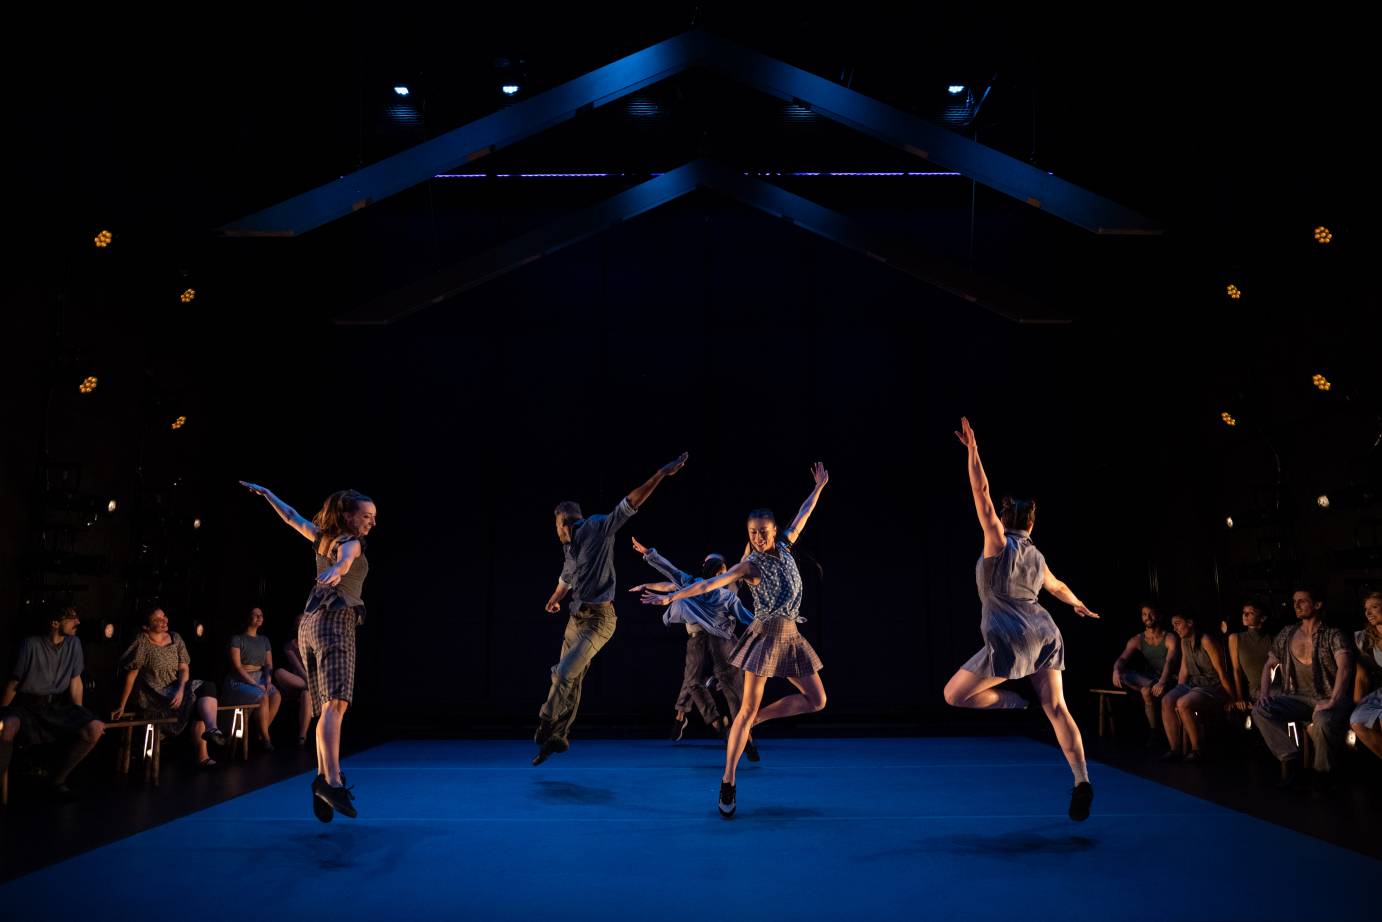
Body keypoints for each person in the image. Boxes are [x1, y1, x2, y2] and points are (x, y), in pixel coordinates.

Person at [643, 463, 829, 819]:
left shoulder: (787, 546)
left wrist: (818, 487)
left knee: (817, 700)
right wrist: (671, 597)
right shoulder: (749, 566)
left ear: (775, 530)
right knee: (742, 710)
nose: (758, 537)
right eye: (752, 533)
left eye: (763, 531)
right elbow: (706, 585)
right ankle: (728, 782)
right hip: (764, 637)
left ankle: (757, 721)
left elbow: (803, 514)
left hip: (791, 635)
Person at [941, 418, 1100, 821]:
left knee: (954, 696)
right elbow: (1057, 586)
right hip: (1047, 633)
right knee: (1058, 709)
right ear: (1031, 524)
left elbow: (981, 493)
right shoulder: (1037, 555)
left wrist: (973, 451)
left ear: (1007, 520)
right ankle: (1081, 779)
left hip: (1011, 637)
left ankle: (1011, 703)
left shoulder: (997, 542)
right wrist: (1078, 604)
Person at [533, 453, 689, 766]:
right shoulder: (569, 548)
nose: (555, 530)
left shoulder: (597, 528)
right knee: (571, 679)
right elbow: (566, 578)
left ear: (563, 522)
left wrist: (660, 474)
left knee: (562, 674)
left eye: (555, 525)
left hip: (599, 622)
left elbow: (629, 503)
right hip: (576, 618)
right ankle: (558, 738)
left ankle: (546, 723)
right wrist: (555, 598)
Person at [241, 482, 376, 820]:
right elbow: (346, 560)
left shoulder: (321, 538)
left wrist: (269, 494)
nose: (371, 523)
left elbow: (291, 517)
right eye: (366, 516)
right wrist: (338, 570)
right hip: (335, 621)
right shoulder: (350, 542)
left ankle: (321, 777)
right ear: (347, 516)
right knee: (337, 705)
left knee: (326, 709)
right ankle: (331, 781)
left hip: (309, 627)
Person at [627, 536, 758, 760]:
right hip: (706, 638)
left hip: (720, 640)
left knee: (725, 687)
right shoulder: (708, 589)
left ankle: (742, 736)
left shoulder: (716, 587)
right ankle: (721, 726)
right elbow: (670, 578)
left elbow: (671, 572)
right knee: (703, 684)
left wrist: (649, 554)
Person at [0, 607, 105, 798]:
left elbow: (75, 681)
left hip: (55, 706)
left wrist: (79, 713)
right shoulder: (30, 645)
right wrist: (3, 709)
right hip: (28, 706)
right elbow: (14, 682)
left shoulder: (74, 643)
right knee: (8, 725)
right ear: (55, 623)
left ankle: (58, 780)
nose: (78, 622)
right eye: (72, 619)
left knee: (95, 727)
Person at [113, 607, 227, 768]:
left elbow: (184, 668)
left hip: (176, 690)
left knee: (206, 688)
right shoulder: (142, 642)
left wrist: (181, 690)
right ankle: (202, 753)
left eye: (164, 616)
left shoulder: (175, 638)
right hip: (156, 695)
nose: (164, 620)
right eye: (157, 619)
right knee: (196, 702)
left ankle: (212, 730)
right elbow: (131, 676)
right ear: (146, 626)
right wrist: (121, 705)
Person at [1111, 603, 1178, 736]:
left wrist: (1162, 682)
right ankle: (1155, 731)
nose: (1147, 617)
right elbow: (1122, 659)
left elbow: (1170, 662)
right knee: (1125, 674)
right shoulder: (1138, 639)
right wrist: (1116, 670)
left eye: (1151, 614)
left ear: (1158, 616)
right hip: (1149, 679)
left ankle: (1154, 732)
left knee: (1146, 692)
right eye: (1144, 614)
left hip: (1167, 678)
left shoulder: (1169, 638)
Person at [224, 607, 283, 751]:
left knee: (276, 695)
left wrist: (268, 680)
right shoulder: (237, 639)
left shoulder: (264, 640)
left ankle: (261, 733)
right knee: (262, 696)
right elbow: (238, 667)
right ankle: (266, 739)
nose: (259, 617)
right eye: (255, 615)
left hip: (260, 677)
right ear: (248, 618)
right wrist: (255, 684)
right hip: (240, 679)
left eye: (261, 615)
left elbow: (269, 664)